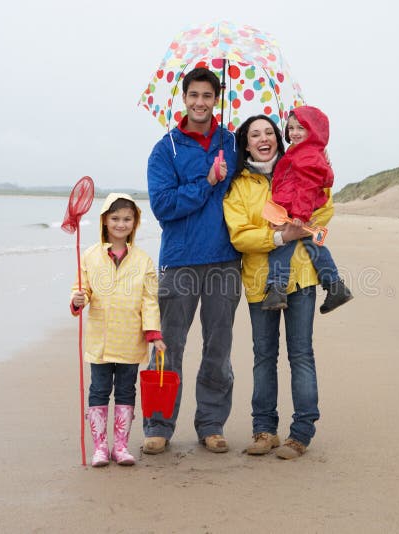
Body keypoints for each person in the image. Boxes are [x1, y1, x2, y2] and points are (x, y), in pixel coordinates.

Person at [223, 114, 332, 460]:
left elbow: (326, 206)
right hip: (259, 282)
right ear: (246, 142)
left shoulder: (299, 164)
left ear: (278, 137)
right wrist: (277, 236)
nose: (263, 138)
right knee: (263, 357)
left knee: (301, 354)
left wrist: (303, 225)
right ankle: (264, 430)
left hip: (301, 276)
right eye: (255, 134)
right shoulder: (239, 185)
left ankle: (300, 433)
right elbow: (239, 235)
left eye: (269, 131)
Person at [144, 67, 241, 454]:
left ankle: (211, 423)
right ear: (183, 99)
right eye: (193, 95)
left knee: (218, 348)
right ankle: (158, 425)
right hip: (179, 261)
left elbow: (263, 177)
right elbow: (163, 206)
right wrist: (207, 182)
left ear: (216, 99)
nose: (200, 102)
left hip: (224, 261)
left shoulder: (232, 143)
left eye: (207, 95)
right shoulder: (164, 148)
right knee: (168, 346)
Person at [70, 193, 166, 467]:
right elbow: (82, 290)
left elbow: (149, 299)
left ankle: (120, 446)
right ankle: (100, 447)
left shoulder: (143, 260)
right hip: (100, 339)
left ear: (135, 222)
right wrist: (78, 300)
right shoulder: (90, 256)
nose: (121, 224)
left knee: (126, 390)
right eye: (115, 218)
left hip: (130, 339)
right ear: (104, 221)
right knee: (99, 390)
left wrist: (154, 335)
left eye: (127, 219)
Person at [262, 106, 353, 313]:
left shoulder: (307, 155)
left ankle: (277, 287)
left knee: (281, 246)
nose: (294, 132)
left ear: (313, 130)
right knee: (314, 245)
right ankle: (335, 285)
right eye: (291, 127)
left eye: (301, 128)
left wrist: (300, 216)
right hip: (294, 208)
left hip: (299, 210)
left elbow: (307, 187)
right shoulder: (303, 152)